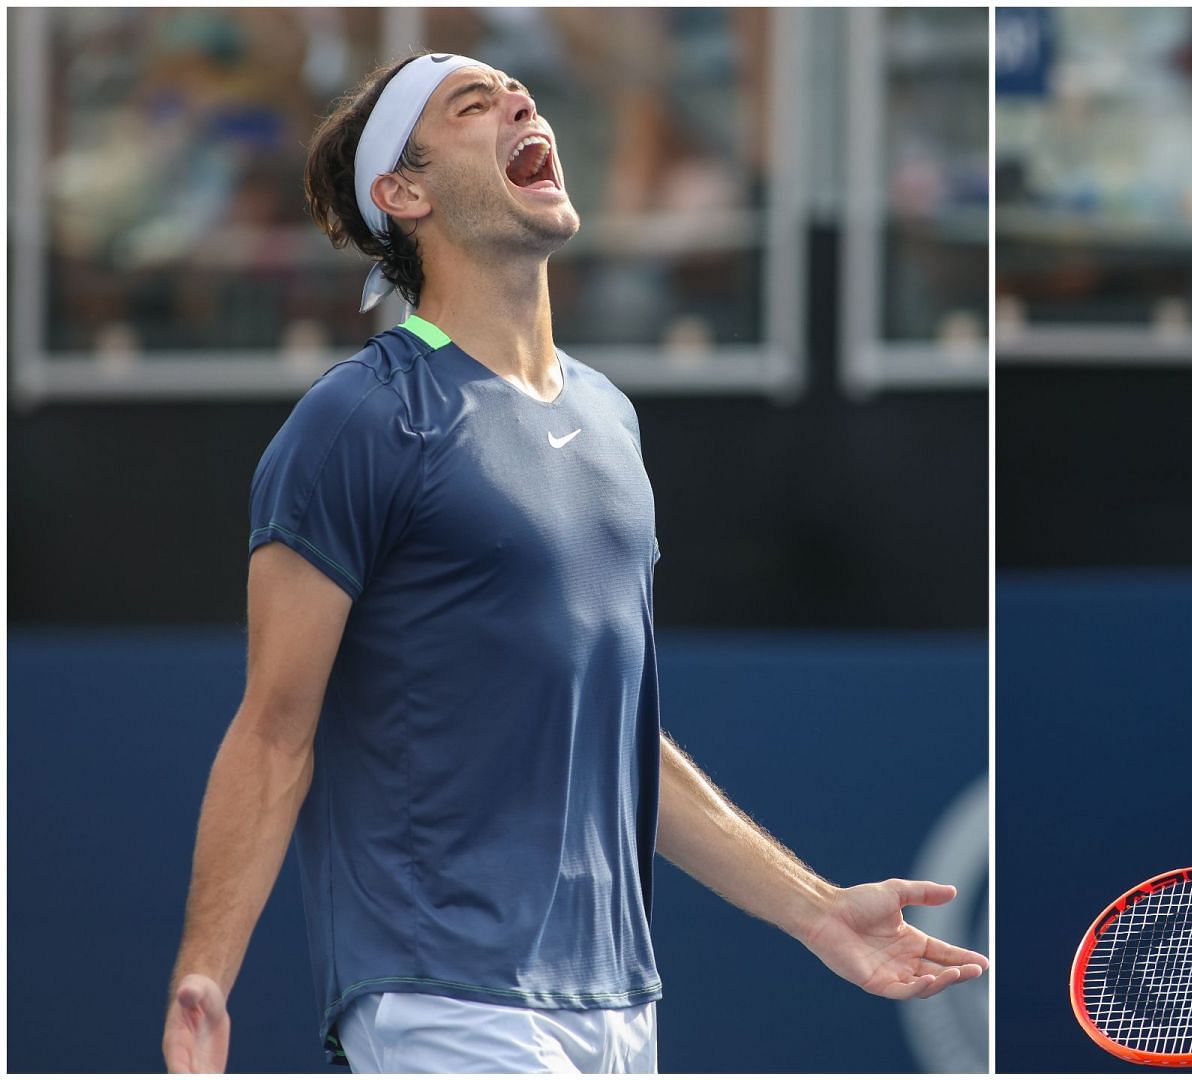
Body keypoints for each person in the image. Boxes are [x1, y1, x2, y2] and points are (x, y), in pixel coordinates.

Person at [160, 51, 987, 1074]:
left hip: (615, 1007)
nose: (517, 99)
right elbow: (275, 730)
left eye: (520, 92)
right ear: (402, 191)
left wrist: (818, 913)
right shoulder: (357, 419)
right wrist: (206, 975)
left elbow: (623, 736)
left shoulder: (608, 418)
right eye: (472, 104)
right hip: (440, 993)